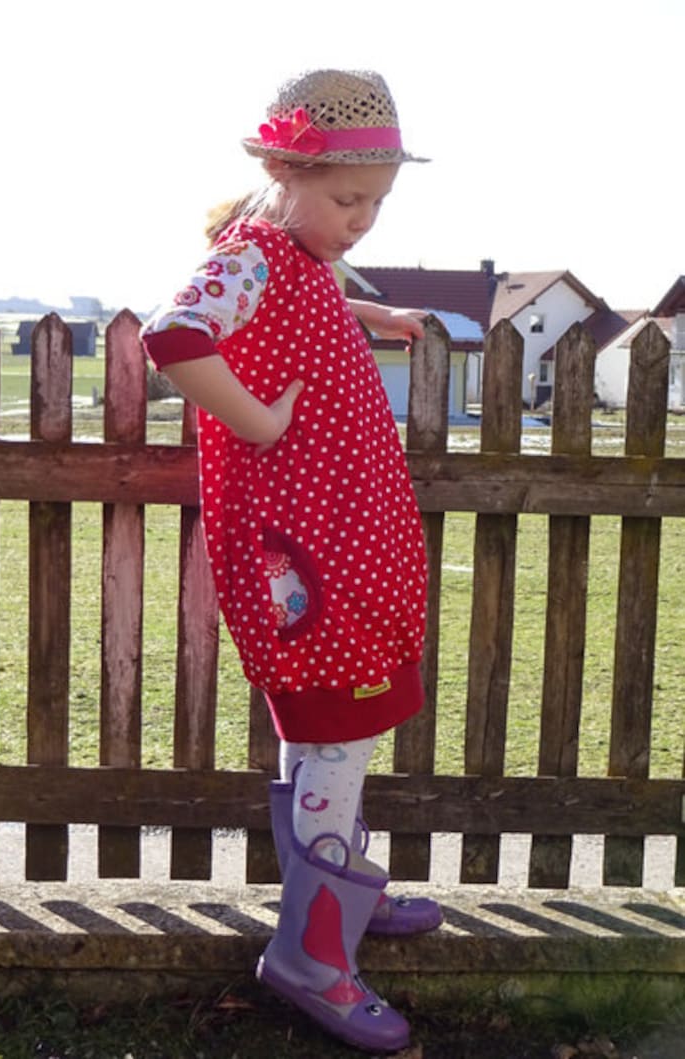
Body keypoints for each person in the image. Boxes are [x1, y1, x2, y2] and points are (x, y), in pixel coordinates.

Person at [141, 68, 440, 1053]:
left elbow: (297, 307)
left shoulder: (298, 259)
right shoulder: (256, 254)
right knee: (332, 731)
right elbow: (176, 335)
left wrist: (375, 317)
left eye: (375, 204)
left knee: (333, 736)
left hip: (340, 546)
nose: (361, 221)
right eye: (347, 199)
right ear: (281, 170)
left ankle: (338, 898)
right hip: (306, 560)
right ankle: (312, 956)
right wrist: (259, 419)